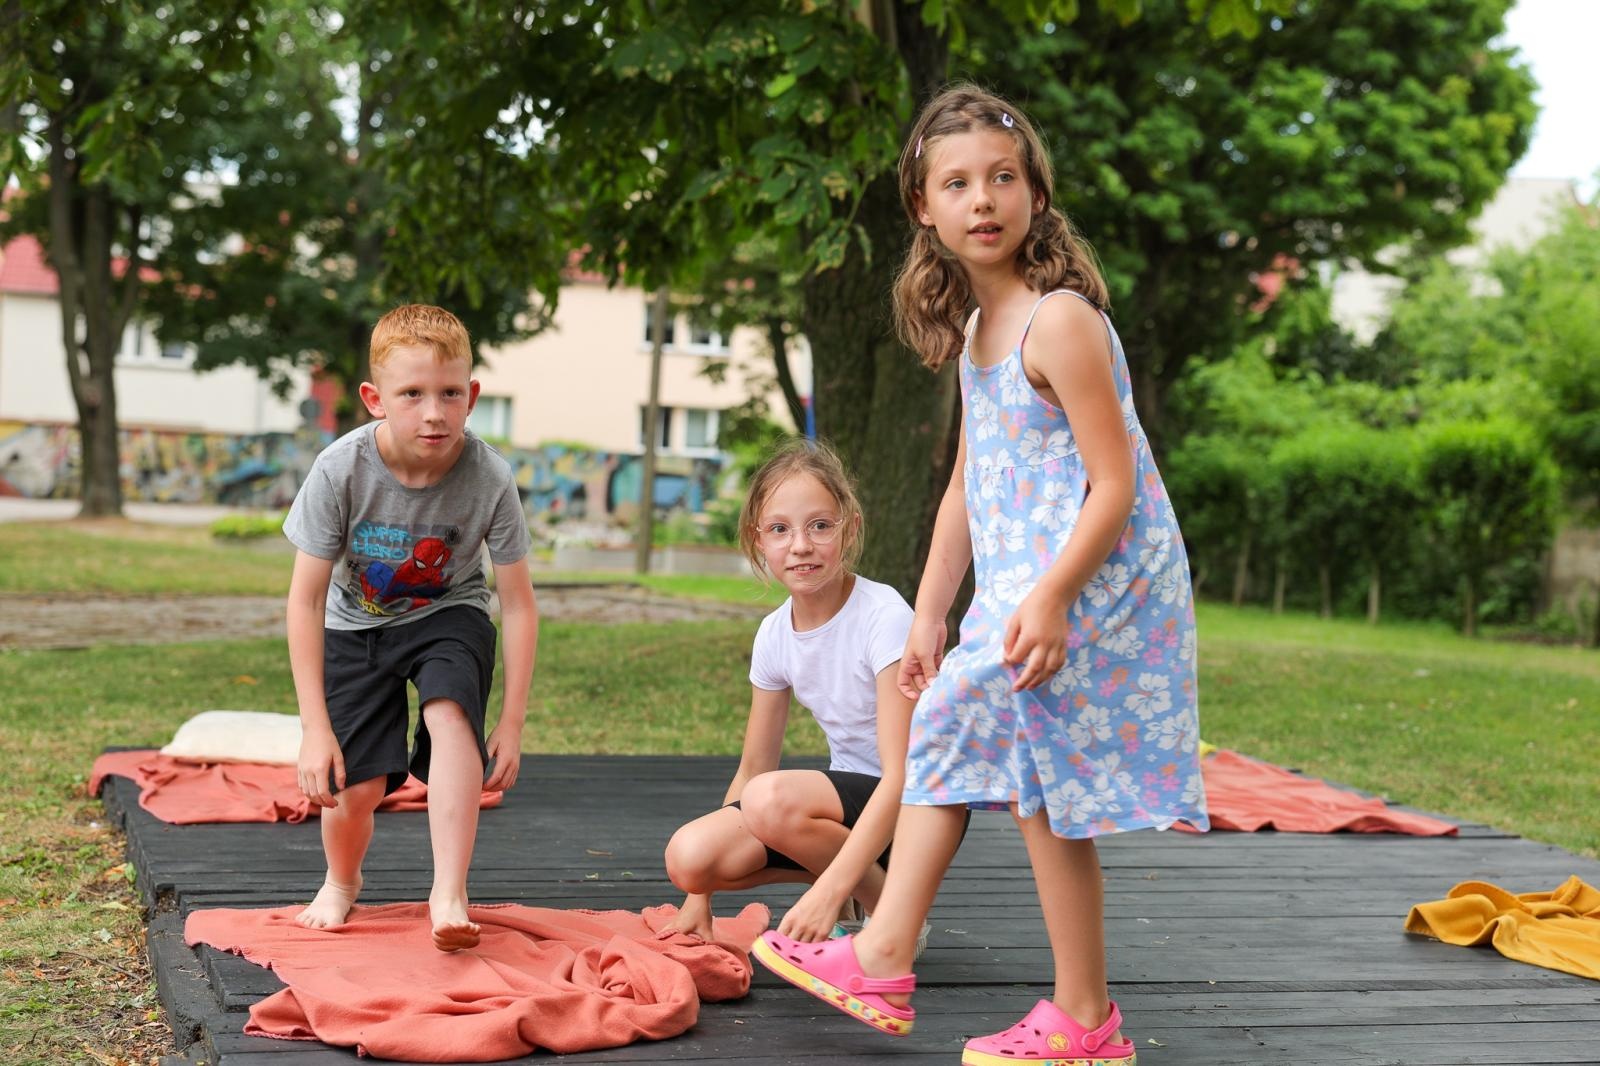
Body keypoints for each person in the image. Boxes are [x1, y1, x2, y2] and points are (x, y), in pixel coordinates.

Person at [751, 85, 1208, 1064]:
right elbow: (966, 481)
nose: (983, 199)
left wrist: (1051, 596)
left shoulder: (1059, 321)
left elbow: (1116, 483)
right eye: (956, 183)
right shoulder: (975, 334)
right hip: (1023, 589)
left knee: (957, 724)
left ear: (1036, 192)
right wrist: (928, 612)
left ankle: (886, 953)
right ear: (924, 208)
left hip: (1095, 582)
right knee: (1032, 788)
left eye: (1003, 177)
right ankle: (1082, 1019)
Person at [282, 303, 538, 952]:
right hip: (354, 624)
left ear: (472, 396)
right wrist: (314, 729)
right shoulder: (339, 469)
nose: (434, 413)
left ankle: (448, 893)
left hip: (448, 615)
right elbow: (305, 601)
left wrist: (510, 724)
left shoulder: (489, 476)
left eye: (450, 394)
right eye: (412, 394)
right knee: (355, 788)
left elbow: (518, 604)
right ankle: (341, 881)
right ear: (375, 399)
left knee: (450, 716)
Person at [661, 439, 927, 950]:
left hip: (914, 809)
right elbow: (752, 769)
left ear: (849, 529)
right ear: (758, 539)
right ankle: (856, 890)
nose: (800, 545)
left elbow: (901, 775)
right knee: (689, 857)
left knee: (770, 801)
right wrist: (700, 896)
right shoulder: (774, 633)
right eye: (780, 529)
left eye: (820, 526)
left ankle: (894, 918)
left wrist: (827, 892)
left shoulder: (884, 617)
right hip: (841, 814)